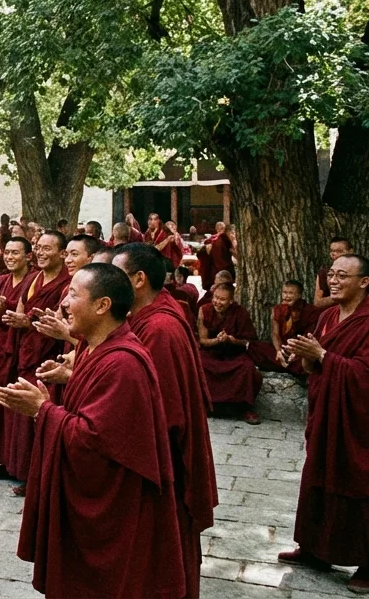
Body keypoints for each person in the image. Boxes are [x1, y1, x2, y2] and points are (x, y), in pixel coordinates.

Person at [0, 263, 186, 598]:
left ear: (102, 306)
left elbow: (95, 439)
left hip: (110, 508)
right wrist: (70, 378)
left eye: (72, 294)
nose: (64, 303)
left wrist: (42, 409)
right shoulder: (95, 347)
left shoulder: (124, 362)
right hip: (85, 493)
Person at [279, 254, 369, 594]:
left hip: (364, 424)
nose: (334, 281)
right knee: (318, 475)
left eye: (343, 275)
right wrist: (300, 357)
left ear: (365, 283)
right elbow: (319, 365)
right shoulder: (328, 315)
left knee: (363, 486)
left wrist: (324, 356)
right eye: (332, 275)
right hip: (328, 413)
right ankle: (315, 550)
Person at [112, 244, 217, 598]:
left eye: (117, 275)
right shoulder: (148, 316)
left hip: (159, 463)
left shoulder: (158, 328)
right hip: (155, 457)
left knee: (159, 551)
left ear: (139, 280)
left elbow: (156, 412)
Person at [0, 230, 69, 496]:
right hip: (26, 348)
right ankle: (18, 467)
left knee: (39, 412)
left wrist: (28, 322)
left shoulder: (66, 283)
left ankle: (37, 475)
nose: (40, 252)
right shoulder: (34, 278)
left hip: (49, 353)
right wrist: (16, 319)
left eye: (47, 248)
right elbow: (20, 310)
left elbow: (61, 323)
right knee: (19, 412)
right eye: (38, 247)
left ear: (61, 253)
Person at [0, 236, 32, 481]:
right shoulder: (1, 281)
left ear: (27, 257)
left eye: (16, 253)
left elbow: (26, 315)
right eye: (7, 253)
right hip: (1, 347)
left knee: (17, 405)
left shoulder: (32, 281)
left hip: (23, 347)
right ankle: (1, 459)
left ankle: (20, 462)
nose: (10, 257)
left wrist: (4, 306)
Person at [196, 284, 263, 425]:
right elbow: (203, 340)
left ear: (231, 301)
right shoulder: (204, 310)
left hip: (234, 354)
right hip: (212, 352)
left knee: (247, 368)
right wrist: (217, 340)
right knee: (199, 364)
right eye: (215, 298)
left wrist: (232, 340)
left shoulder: (240, 312)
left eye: (222, 299)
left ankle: (244, 408)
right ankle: (205, 406)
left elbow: (248, 341)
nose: (217, 302)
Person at [262, 281, 319, 376]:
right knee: (254, 347)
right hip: (283, 348)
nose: (286, 296)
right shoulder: (277, 310)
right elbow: (275, 333)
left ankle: (289, 366)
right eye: (284, 292)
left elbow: (309, 336)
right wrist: (279, 351)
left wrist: (297, 352)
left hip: (300, 350)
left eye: (291, 293)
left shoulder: (311, 311)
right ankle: (286, 364)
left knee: (305, 362)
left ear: (299, 295)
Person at [313, 236, 355, 310]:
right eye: (332, 251)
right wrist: (339, 295)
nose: (334, 254)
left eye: (339, 251)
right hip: (331, 315)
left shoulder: (359, 271)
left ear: (350, 251)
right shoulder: (324, 273)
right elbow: (317, 303)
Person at [199, 222, 235, 290]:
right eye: (232, 233)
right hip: (217, 275)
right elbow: (221, 263)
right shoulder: (218, 242)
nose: (234, 236)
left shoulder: (226, 241)